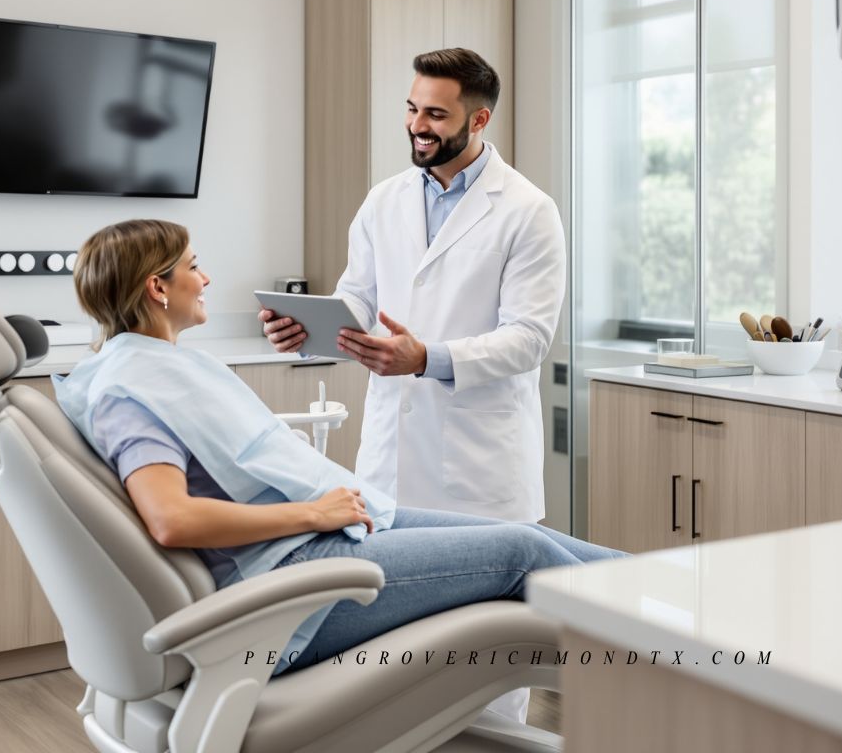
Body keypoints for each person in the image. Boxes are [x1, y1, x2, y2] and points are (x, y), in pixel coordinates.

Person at [55, 219, 621, 677]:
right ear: (158, 287)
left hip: (315, 540)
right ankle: (687, 640)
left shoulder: (150, 365)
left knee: (537, 539)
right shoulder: (129, 392)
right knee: (520, 553)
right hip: (291, 585)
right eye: (194, 267)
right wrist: (311, 511)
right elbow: (170, 519)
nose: (205, 280)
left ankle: (685, 590)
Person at [260, 48, 566, 717]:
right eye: (411, 108)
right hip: (391, 461)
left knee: (486, 671)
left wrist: (426, 357)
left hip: (478, 467)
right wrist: (306, 332)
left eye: (435, 114)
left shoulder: (527, 211)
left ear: (479, 119)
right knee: (395, 661)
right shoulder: (384, 200)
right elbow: (357, 303)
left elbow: (529, 339)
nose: (417, 125)